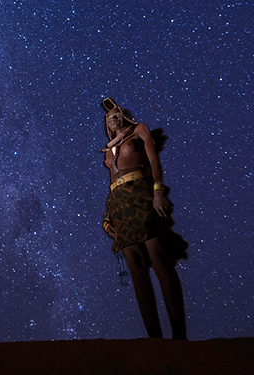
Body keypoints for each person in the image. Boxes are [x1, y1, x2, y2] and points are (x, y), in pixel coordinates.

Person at [99, 97, 189, 340]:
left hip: (140, 194)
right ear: (107, 124)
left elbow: (153, 161)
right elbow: (111, 183)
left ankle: (179, 336)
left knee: (158, 256)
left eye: (117, 114)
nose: (114, 118)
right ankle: (154, 340)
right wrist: (108, 219)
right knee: (136, 266)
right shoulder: (110, 148)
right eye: (109, 117)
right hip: (119, 205)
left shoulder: (138, 131)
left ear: (124, 116)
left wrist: (158, 190)